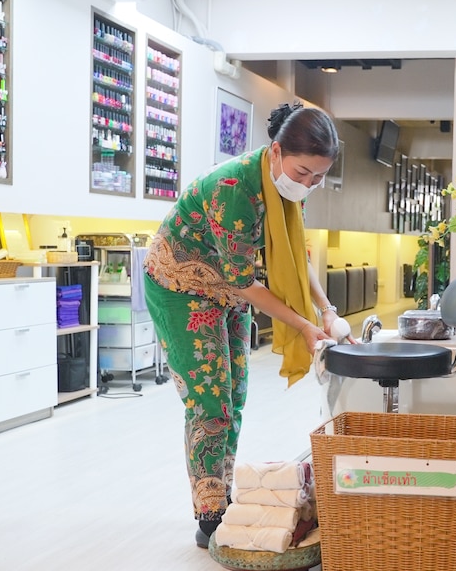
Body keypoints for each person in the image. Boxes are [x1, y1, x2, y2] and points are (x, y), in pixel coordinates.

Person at [143, 102, 347, 548]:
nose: (308, 184)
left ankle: (223, 493)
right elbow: (246, 282)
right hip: (181, 284)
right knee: (209, 400)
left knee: (235, 394)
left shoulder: (286, 188)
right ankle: (211, 512)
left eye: (318, 177)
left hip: (228, 289)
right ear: (276, 152)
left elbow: (297, 256)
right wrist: (304, 325)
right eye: (303, 172)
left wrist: (326, 309)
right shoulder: (234, 189)